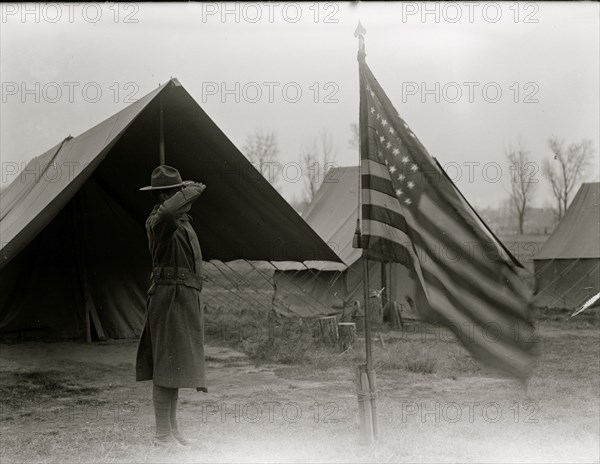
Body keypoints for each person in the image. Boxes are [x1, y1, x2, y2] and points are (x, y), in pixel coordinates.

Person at [136, 165, 207, 448]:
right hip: (169, 298)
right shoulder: (159, 220)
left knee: (175, 368)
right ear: (167, 196)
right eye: (178, 194)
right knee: (166, 368)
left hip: (183, 298)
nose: (185, 198)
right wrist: (193, 188)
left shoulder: (182, 221)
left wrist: (185, 191)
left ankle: (172, 430)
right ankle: (162, 435)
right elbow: (166, 212)